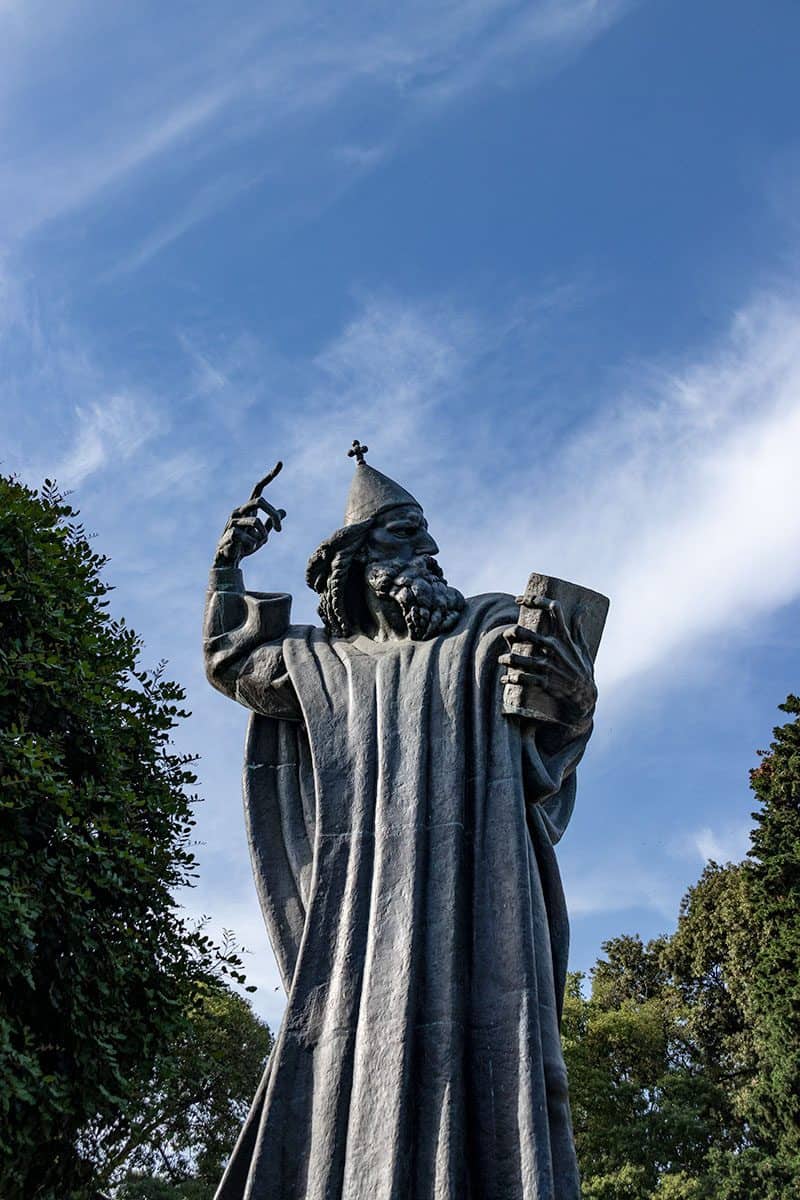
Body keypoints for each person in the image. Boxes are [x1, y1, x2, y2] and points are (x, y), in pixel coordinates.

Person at [203, 443, 597, 1200]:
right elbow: (235, 660)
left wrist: (575, 701)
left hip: (480, 908)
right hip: (361, 925)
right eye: (405, 535)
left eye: (427, 535)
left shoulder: (489, 628)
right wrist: (227, 567)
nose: (430, 552)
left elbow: (548, 732)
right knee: (351, 1068)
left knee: (489, 1063)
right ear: (356, 562)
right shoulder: (325, 663)